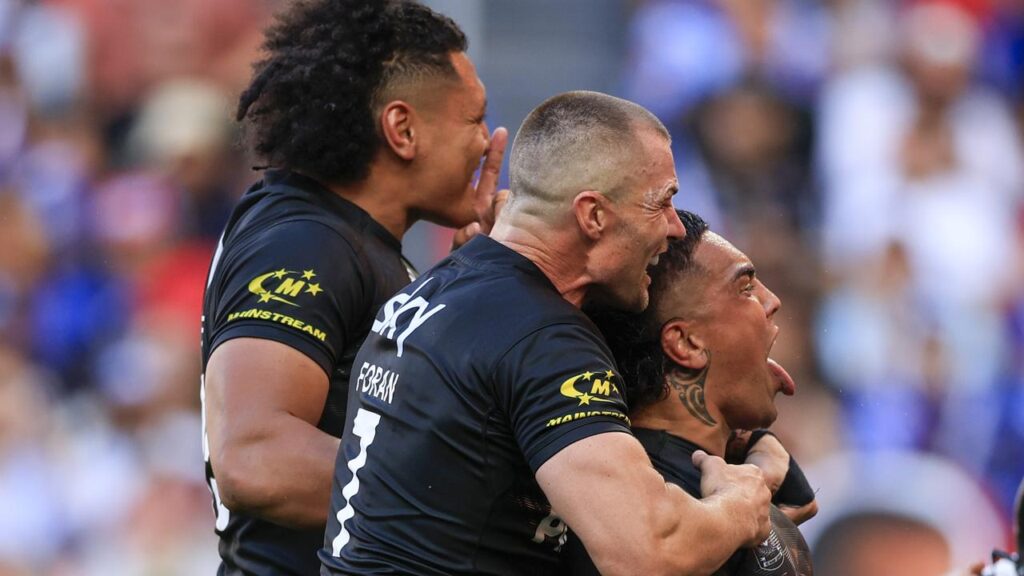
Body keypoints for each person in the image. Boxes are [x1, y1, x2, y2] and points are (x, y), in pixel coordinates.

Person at [320, 91, 773, 576]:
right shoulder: (544, 338)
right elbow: (647, 551)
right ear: (593, 215)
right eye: (661, 203)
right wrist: (742, 503)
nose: (674, 228)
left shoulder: (441, 285)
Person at [200, 1, 507, 574]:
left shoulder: (345, 239)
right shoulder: (308, 244)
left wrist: (465, 295)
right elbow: (254, 456)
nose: (487, 143)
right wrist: (471, 500)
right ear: (403, 128)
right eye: (474, 120)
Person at [565, 210, 817, 575]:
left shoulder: (737, 474)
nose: (771, 301)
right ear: (686, 342)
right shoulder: (654, 522)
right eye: (745, 288)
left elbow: (800, 506)